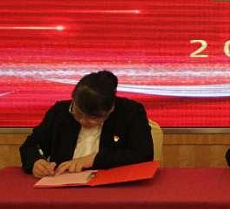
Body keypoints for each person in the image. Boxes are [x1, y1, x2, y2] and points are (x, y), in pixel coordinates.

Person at [20, 70, 153, 177]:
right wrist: (36, 161)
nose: (83, 121)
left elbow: (143, 154)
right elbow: (31, 145)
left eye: (93, 118)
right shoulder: (59, 112)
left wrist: (95, 159)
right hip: (63, 187)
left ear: (111, 109)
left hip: (111, 188)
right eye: (78, 113)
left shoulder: (130, 112)